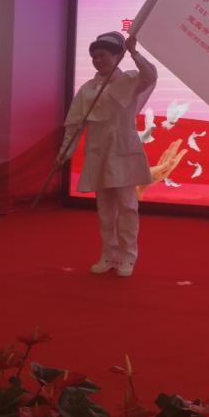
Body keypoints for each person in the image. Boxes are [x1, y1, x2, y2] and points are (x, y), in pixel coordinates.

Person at [58, 31, 158, 278]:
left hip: (124, 151)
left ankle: (128, 257)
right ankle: (108, 255)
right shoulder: (87, 89)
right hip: (98, 152)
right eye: (94, 56)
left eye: (103, 55)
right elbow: (74, 124)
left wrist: (134, 52)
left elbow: (150, 76)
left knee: (127, 206)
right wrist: (64, 153)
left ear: (116, 56)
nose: (98, 60)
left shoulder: (131, 80)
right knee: (105, 209)